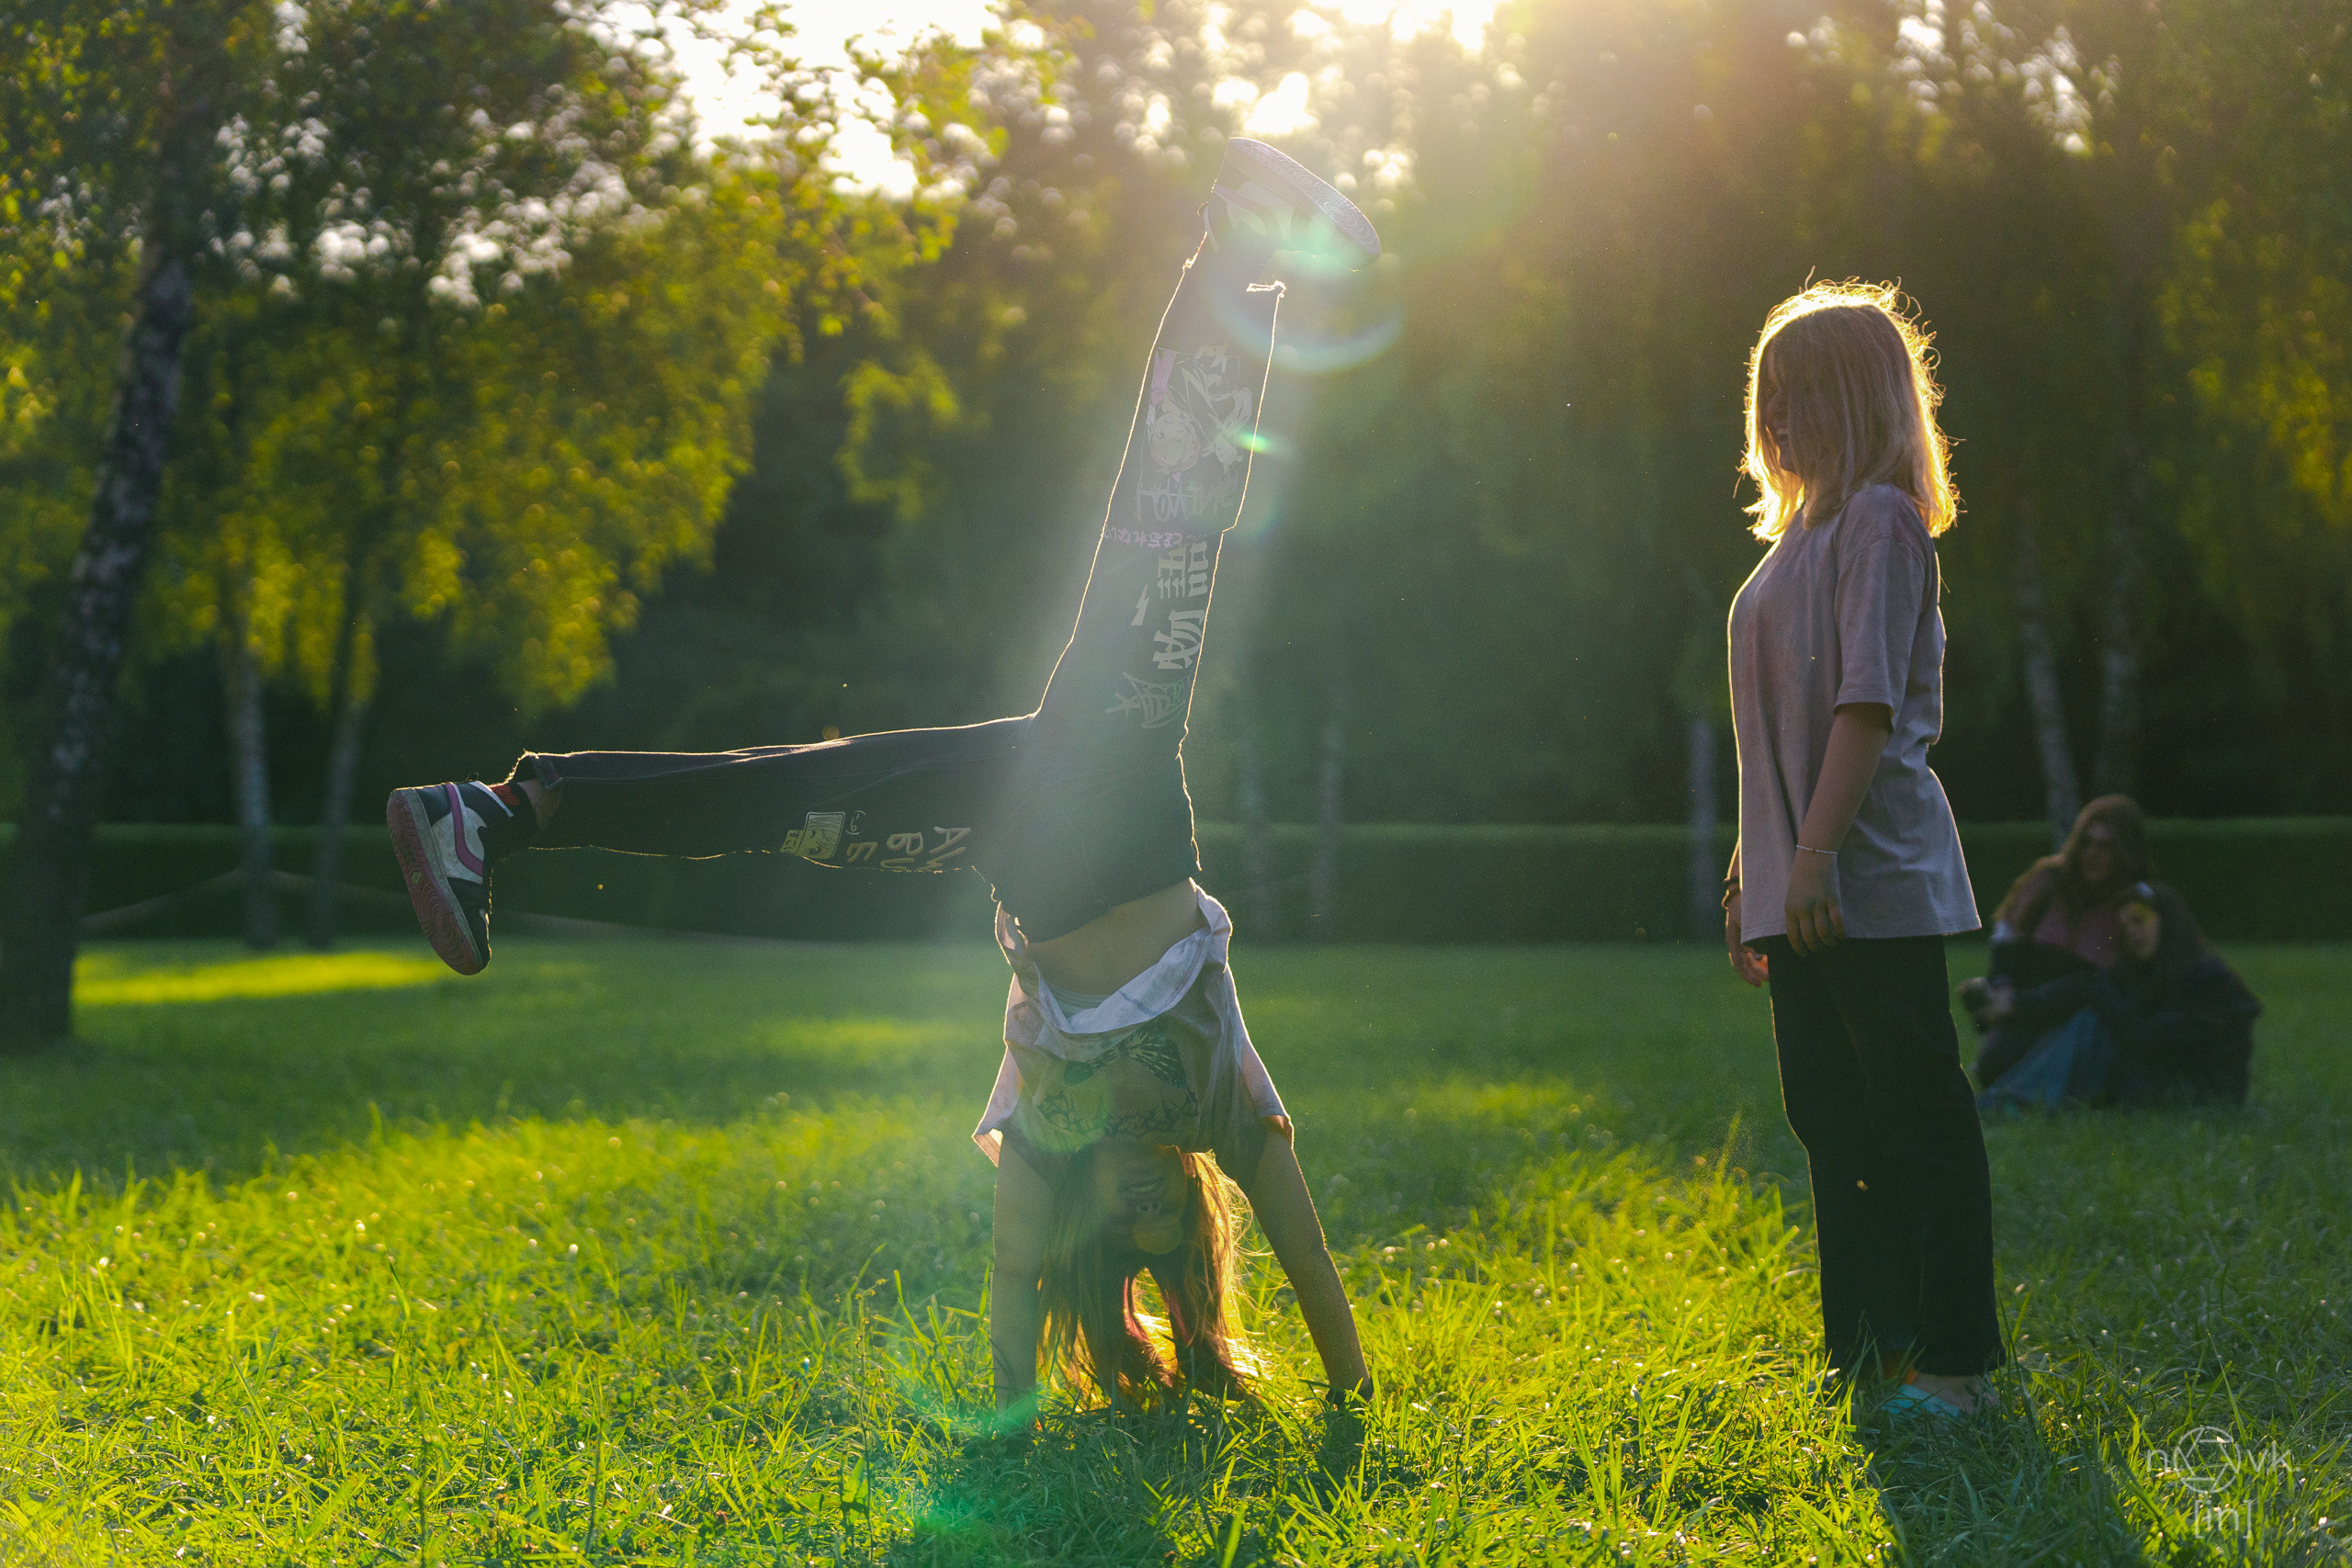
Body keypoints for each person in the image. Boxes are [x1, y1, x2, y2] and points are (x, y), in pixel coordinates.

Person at [382, 139, 1378, 1417]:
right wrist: (1353, 1400)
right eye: (1159, 1225)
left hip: (1013, 825)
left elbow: (1018, 1271)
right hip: (1115, 771)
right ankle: (1240, 242)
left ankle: (498, 816)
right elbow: (1300, 1246)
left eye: (1113, 1233)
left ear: (1091, 1217)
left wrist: (1010, 1421)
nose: (1135, 1207)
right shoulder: (1227, 1111)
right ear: (1191, 1215)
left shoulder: (1053, 1124)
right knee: (1168, 534)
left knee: (792, 802)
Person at [1720, 282, 2003, 1419]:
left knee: (1914, 1114)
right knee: (1832, 1119)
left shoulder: (1880, 521)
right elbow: (1767, 734)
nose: (1778, 419)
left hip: (1863, 876)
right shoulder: (1798, 537)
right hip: (1801, 884)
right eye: (1767, 399)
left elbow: (1864, 707)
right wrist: (1760, 868)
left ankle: (1958, 1366)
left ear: (1859, 397)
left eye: (1801, 396)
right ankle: (1868, 1355)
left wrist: (1819, 855)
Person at [1973, 880, 2259, 1111]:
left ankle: (2019, 1100)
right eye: (2125, 927)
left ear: (2169, 923)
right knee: (2090, 1017)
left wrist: (2097, 992)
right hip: (2155, 1081)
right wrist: (2017, 1004)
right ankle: (2020, 1097)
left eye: (2139, 921)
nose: (2132, 933)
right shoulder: (2151, 971)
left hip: (2199, 1095)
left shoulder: (2209, 980)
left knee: (2095, 1022)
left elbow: (2147, 1038)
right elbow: (2083, 987)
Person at [1956, 795, 2152, 1049]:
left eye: (2106, 847)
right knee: (1996, 1061)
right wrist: (2000, 986)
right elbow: (2007, 933)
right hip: (2024, 1004)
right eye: (2087, 843)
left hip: (2084, 1014)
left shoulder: (2134, 901)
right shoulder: (2048, 880)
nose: (2093, 854)